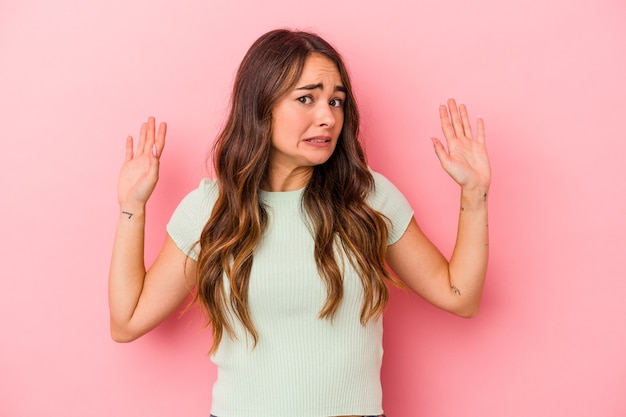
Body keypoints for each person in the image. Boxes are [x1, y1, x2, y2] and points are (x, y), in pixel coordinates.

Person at [109, 29, 491, 417]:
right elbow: (127, 321)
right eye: (306, 98)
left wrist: (474, 194)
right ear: (262, 105)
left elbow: (459, 295)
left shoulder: (366, 198)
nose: (327, 117)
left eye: (336, 101)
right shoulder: (213, 209)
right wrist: (132, 208)